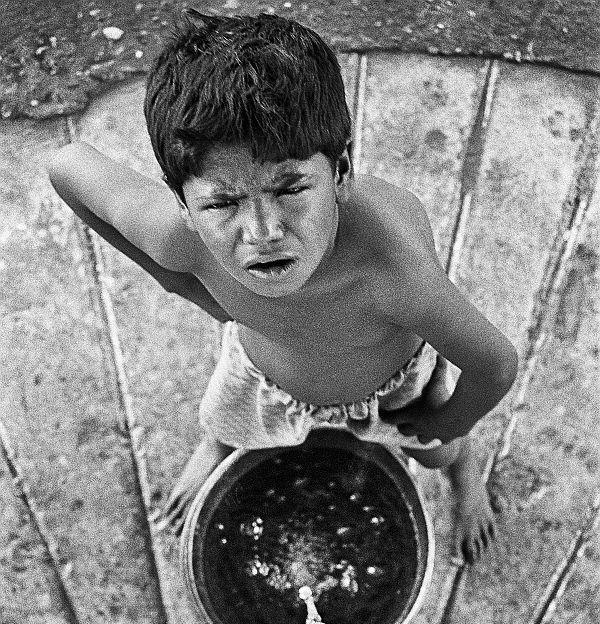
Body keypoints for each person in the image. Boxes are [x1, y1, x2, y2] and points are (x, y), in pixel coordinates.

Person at [48, 10, 518, 564]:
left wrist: (451, 418)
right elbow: (67, 166)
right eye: (223, 202)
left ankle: (467, 481)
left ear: (340, 170)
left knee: (439, 450)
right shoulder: (184, 239)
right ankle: (218, 445)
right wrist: (176, 282)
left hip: (391, 388)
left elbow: (495, 363)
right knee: (223, 420)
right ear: (183, 199)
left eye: (291, 187)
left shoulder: (389, 269)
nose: (264, 232)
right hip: (263, 372)